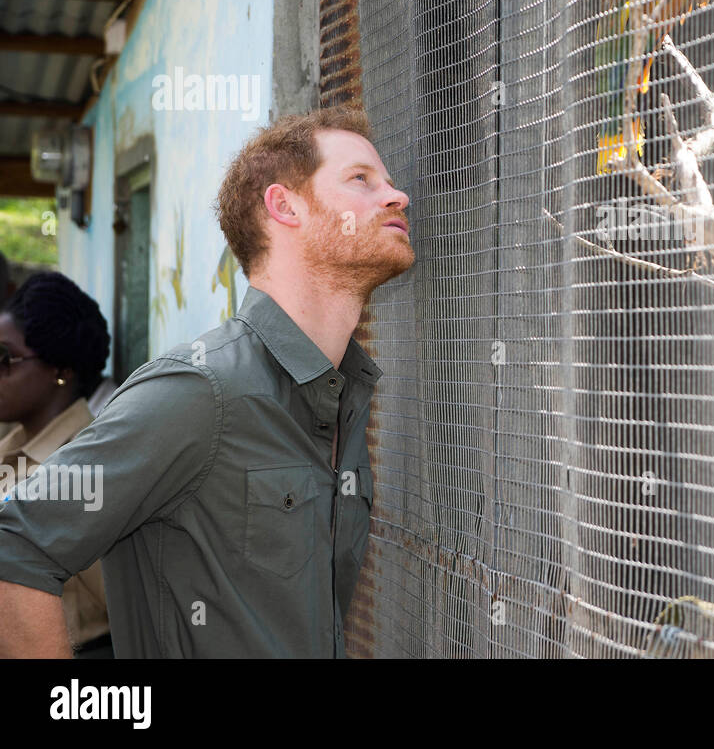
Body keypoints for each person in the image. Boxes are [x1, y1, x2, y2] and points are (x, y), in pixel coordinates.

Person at [0, 105, 414, 657]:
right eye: (361, 179)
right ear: (283, 206)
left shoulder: (340, 394)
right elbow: (15, 545)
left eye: (386, 180)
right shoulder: (201, 391)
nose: (396, 195)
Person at [0, 272, 113, 657]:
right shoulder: (13, 450)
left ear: (61, 372)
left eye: (5, 359)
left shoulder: (86, 468)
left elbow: (116, 606)